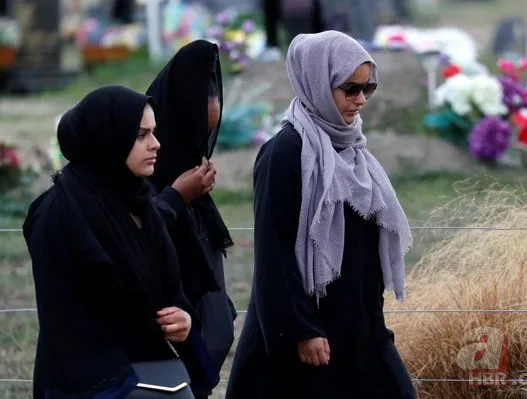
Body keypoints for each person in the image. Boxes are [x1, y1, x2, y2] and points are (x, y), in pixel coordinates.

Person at [226, 31, 417, 399]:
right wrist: (301, 329)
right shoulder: (284, 153)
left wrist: (374, 323)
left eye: (368, 88)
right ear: (316, 81)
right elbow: (274, 251)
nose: (360, 100)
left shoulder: (356, 152)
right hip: (310, 334)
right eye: (349, 89)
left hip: (359, 328)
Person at [22, 85, 219, 398]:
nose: (155, 144)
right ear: (107, 138)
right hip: (93, 381)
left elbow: (165, 290)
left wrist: (181, 320)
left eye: (153, 132)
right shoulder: (59, 213)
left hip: (151, 372)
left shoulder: (139, 201)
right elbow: (67, 318)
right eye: (140, 135)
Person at [146, 40, 236, 397]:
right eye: (194, 129)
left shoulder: (189, 176)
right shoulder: (145, 176)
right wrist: (177, 197)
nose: (200, 143)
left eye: (208, 132)